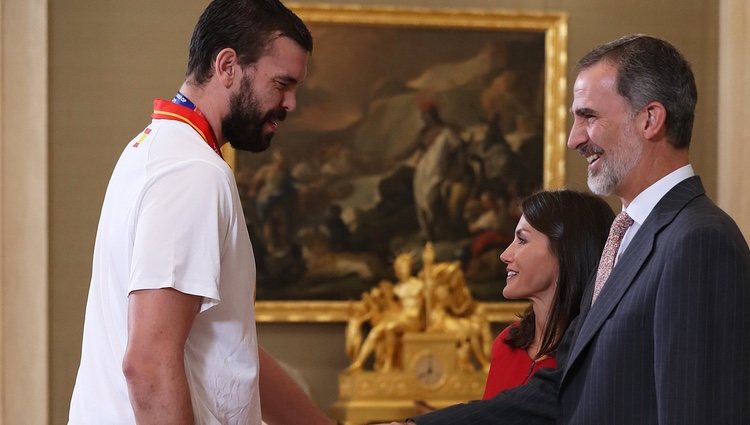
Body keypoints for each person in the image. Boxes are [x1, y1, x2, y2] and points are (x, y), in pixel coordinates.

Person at [385, 34, 750, 425]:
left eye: (589, 117)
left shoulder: (698, 240)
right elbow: (561, 390)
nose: (574, 138)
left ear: (650, 119)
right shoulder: (627, 236)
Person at [68, 1, 333, 424]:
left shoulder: (152, 149)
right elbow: (148, 364)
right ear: (227, 65)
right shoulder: (193, 172)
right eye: (281, 84)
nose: (291, 103)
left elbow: (227, 345)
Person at [483, 190, 613, 399]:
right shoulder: (506, 344)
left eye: (522, 240)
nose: (505, 255)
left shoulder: (595, 356)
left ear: (566, 252)